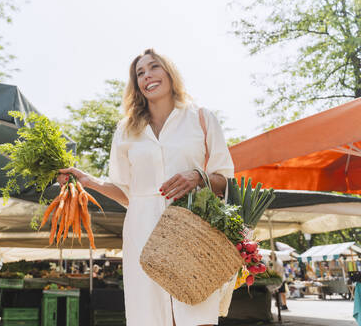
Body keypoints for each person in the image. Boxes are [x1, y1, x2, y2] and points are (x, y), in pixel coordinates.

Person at [58, 49, 233, 326]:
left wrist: (198, 177)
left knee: (197, 314)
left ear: (169, 72)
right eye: (140, 73)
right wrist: (88, 181)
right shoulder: (126, 129)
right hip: (143, 232)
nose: (147, 75)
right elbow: (126, 193)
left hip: (193, 230)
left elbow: (226, 180)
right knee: (149, 316)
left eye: (154, 67)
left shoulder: (200, 117)